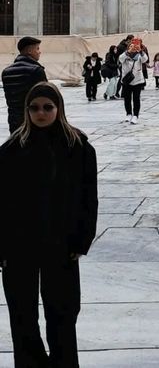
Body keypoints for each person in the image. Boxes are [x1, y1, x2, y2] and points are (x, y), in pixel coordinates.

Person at [0, 82, 98, 367]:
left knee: (63, 314)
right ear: (26, 111)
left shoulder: (78, 148)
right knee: (22, 316)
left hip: (62, 244)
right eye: (34, 108)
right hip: (19, 246)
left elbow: (88, 199)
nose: (41, 113)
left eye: (47, 107)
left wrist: (82, 240)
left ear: (59, 109)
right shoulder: (11, 150)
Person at [1, 36, 47, 133]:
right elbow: (47, 97)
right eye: (37, 48)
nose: (39, 52)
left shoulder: (6, 72)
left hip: (14, 121)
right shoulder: (36, 71)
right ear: (30, 51)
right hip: (33, 121)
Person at [119, 38, 148, 125]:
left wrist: (141, 51)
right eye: (131, 46)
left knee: (136, 98)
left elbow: (145, 59)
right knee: (127, 98)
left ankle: (135, 115)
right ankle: (128, 114)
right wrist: (128, 52)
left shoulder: (139, 56)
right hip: (127, 81)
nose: (133, 48)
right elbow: (120, 59)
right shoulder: (125, 55)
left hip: (137, 80)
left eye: (134, 46)